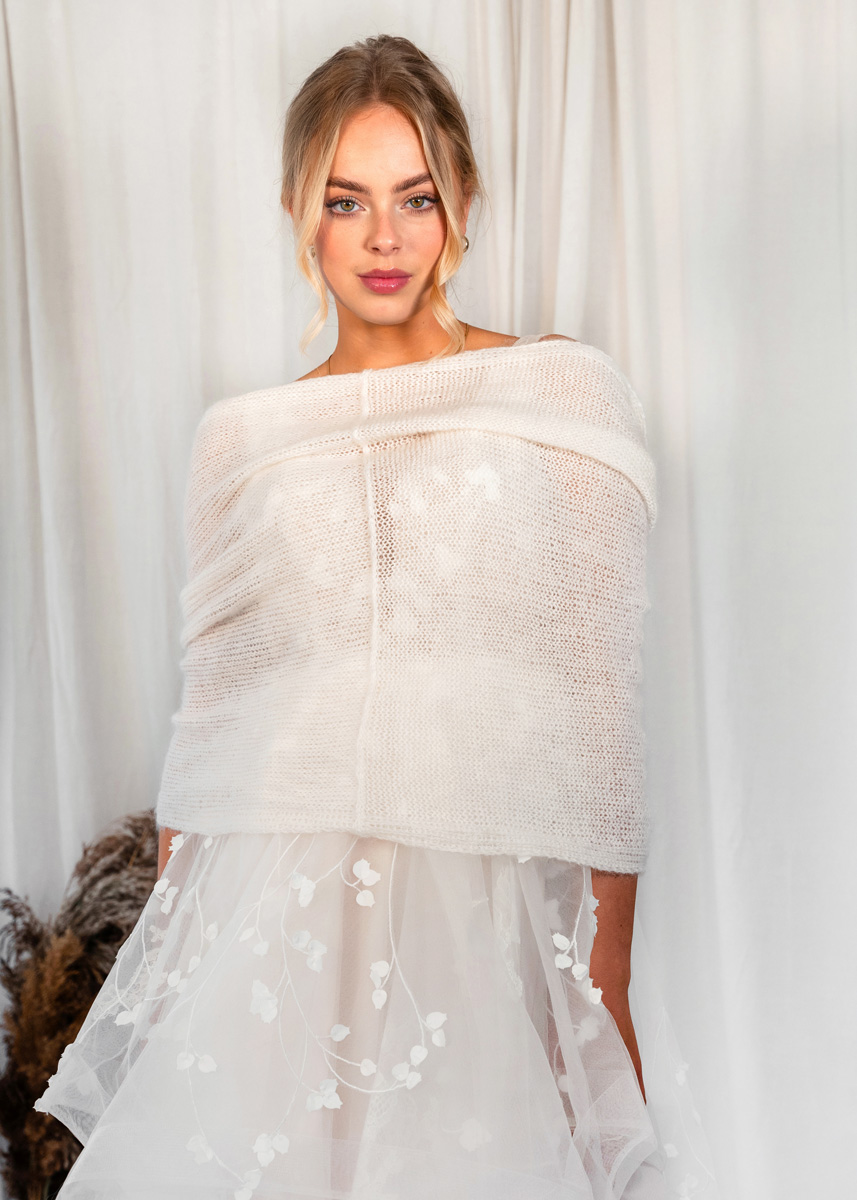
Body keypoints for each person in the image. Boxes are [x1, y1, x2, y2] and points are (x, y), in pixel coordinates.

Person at [34, 33, 717, 1200]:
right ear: (299, 212)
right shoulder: (241, 442)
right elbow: (215, 719)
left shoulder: (559, 393)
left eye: (416, 197)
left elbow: (597, 695)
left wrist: (599, 974)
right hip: (276, 919)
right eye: (346, 200)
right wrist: (171, 975)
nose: (383, 237)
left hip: (476, 907)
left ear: (464, 204)